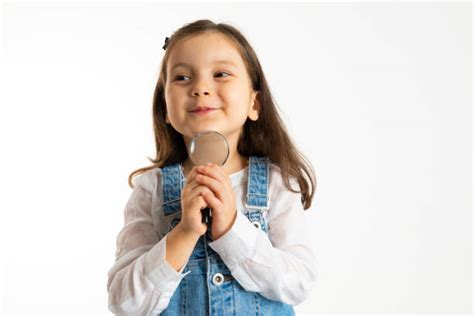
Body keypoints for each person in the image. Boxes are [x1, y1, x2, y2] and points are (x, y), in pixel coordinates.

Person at [107, 19, 318, 315]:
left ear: (254, 104)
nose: (201, 88)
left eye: (221, 74)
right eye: (182, 77)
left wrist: (232, 228)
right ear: (165, 109)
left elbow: (299, 282)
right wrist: (183, 232)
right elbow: (123, 302)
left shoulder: (275, 183)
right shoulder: (150, 189)